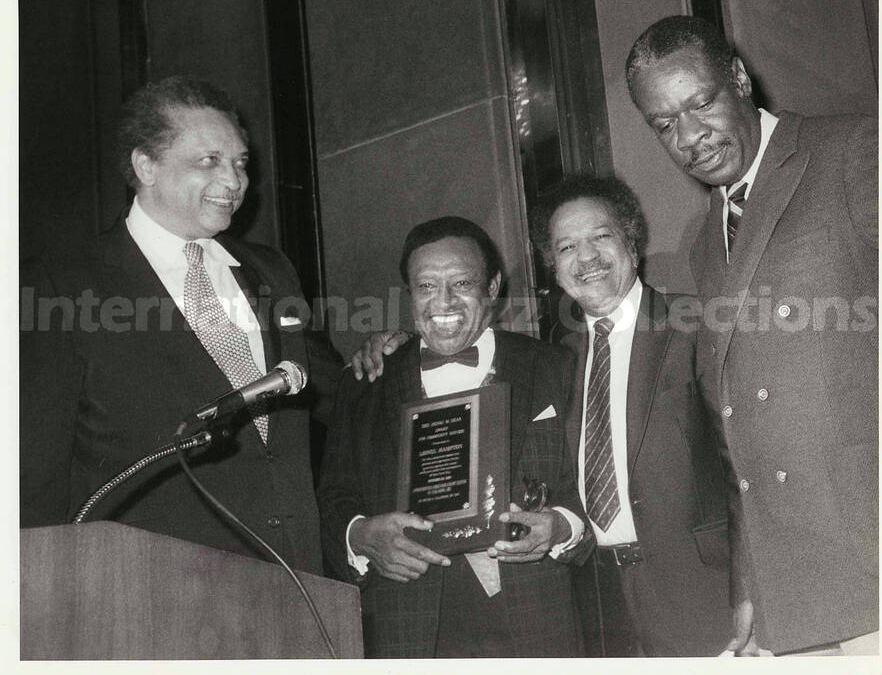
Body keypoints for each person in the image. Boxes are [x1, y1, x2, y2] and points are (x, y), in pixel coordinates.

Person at [349, 183, 733, 657]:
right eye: (567, 247)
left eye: (601, 237)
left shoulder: (698, 324)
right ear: (552, 263)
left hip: (704, 597)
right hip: (597, 606)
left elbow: (747, 468)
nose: (585, 257)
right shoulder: (565, 350)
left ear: (632, 244)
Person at [625, 15, 878, 655]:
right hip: (791, 584)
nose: (689, 137)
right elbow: (733, 426)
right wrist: (750, 578)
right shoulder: (704, 240)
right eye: (663, 124)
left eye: (700, 103)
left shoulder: (855, 150)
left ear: (739, 77)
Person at [20, 76, 342, 574]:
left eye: (240, 163)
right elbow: (35, 470)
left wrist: (397, 357)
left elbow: (332, 394)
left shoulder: (271, 271)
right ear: (146, 165)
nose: (235, 182)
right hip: (147, 593)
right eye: (209, 161)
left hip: (294, 582)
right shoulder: (62, 283)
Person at [316, 216, 593, 658]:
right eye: (426, 286)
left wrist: (562, 525)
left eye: (462, 282)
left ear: (493, 287)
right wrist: (360, 536)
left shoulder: (556, 366)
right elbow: (333, 498)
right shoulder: (366, 382)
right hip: (407, 627)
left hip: (539, 618)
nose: (442, 302)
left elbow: (595, 483)